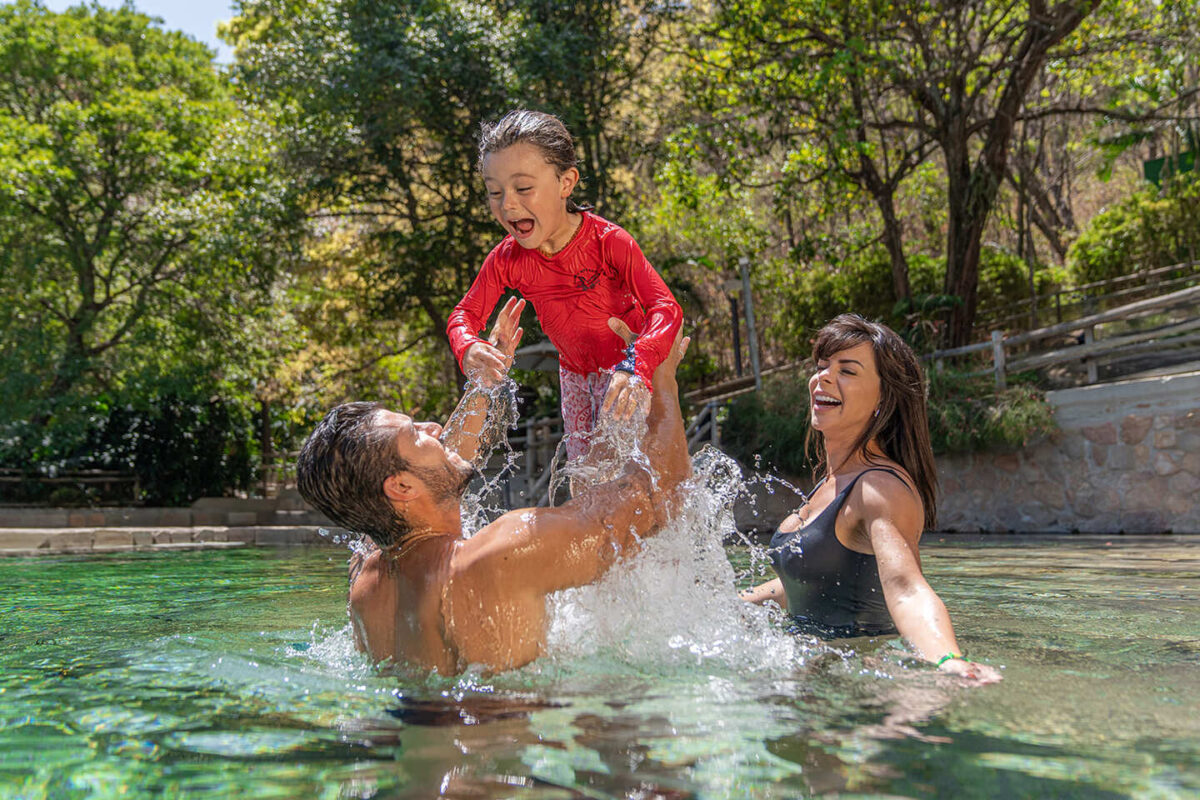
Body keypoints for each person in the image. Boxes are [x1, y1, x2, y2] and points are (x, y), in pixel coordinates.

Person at [296, 299, 692, 674]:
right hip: (507, 739)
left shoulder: (365, 581)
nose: (434, 428)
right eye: (416, 434)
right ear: (400, 487)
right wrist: (661, 377)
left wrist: (483, 384)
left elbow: (437, 464)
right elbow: (657, 496)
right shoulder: (499, 556)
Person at [739, 314, 1001, 683]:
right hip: (810, 676)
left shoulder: (880, 487)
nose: (824, 377)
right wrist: (726, 603)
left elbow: (907, 588)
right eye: (822, 366)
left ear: (884, 398)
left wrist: (948, 660)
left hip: (854, 686)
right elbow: (808, 579)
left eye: (848, 370)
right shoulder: (832, 483)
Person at [446, 109, 683, 461]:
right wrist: (468, 347)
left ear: (566, 183)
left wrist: (638, 364)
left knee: (635, 479)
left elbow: (666, 308)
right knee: (583, 478)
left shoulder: (608, 242)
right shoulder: (507, 259)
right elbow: (464, 314)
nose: (507, 204)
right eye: (494, 192)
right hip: (573, 375)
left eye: (523, 188)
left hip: (626, 367)